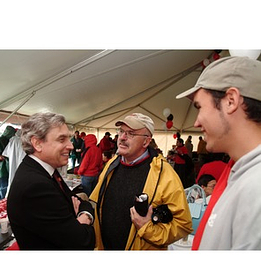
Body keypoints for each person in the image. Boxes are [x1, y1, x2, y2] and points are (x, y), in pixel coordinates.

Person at [176, 55, 261, 250]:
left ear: (231, 101)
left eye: (199, 107)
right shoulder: (240, 172)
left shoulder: (255, 186)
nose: (196, 122)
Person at [90, 113, 192, 250]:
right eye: (121, 131)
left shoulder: (164, 174)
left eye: (131, 134)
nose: (122, 138)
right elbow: (97, 202)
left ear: (146, 141)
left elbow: (183, 224)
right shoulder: (112, 164)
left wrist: (147, 228)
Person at [7, 112, 95, 250]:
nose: (70, 146)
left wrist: (83, 215)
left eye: (69, 139)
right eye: (62, 139)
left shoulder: (46, 172)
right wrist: (84, 219)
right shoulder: (35, 186)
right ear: (37, 144)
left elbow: (81, 202)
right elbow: (83, 241)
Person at [2, 129, 26, 194]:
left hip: (14, 163)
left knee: (13, 180)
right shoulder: (27, 141)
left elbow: (6, 153)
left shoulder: (13, 140)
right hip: (24, 163)